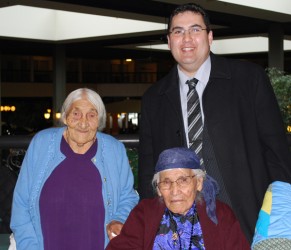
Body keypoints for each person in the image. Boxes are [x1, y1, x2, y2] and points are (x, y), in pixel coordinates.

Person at [138, 2, 291, 243]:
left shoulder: (248, 80)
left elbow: (277, 152)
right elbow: (148, 169)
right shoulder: (153, 99)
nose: (186, 38)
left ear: (210, 37)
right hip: (182, 227)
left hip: (247, 217)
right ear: (169, 41)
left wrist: (279, 220)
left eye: (195, 29)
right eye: (177, 31)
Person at [10, 88, 139, 250]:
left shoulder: (114, 149)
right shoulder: (42, 143)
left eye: (91, 115)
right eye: (76, 114)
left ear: (100, 121)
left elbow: (128, 197)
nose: (83, 123)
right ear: (65, 117)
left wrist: (118, 219)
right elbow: (21, 203)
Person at [107, 147, 249, 249]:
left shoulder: (220, 214)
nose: (175, 191)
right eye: (166, 182)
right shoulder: (144, 213)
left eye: (183, 180)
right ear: (158, 189)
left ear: (198, 183)